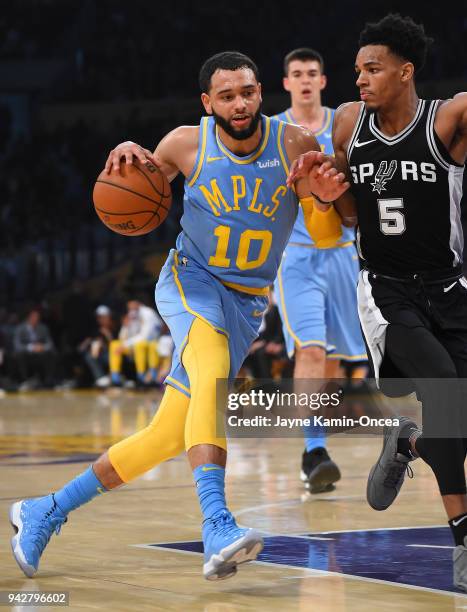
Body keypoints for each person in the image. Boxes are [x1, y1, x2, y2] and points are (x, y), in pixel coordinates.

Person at [9, 51, 348, 582]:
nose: (240, 103)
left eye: (248, 92)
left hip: (248, 302)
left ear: (262, 93)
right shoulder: (185, 143)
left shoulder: (295, 147)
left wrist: (324, 205)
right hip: (193, 281)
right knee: (210, 370)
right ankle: (217, 522)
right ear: (207, 102)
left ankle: (45, 509)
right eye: (227, 95)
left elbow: (325, 238)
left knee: (168, 435)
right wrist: (122, 154)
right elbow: (136, 175)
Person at [288, 14, 467, 590]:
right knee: (443, 388)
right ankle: (463, 541)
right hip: (385, 288)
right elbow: (347, 214)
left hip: (451, 285)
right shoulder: (347, 125)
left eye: (373, 69)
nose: (359, 79)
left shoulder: (448, 119)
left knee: (453, 414)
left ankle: (408, 439)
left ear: (405, 71)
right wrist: (324, 195)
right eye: (357, 69)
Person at [273, 48, 366, 493]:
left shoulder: (344, 126)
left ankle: (318, 443)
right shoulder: (276, 133)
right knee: (309, 350)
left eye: (312, 73)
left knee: (332, 361)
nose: (305, 80)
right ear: (287, 82)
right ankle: (313, 452)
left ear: (323, 81)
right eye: (297, 74)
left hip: (345, 252)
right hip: (296, 257)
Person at [109, 299, 162, 387]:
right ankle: (115, 378)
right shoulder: (132, 314)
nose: (131, 308)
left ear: (138, 303)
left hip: (151, 342)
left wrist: (125, 345)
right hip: (134, 343)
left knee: (139, 346)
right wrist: (125, 326)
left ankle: (142, 377)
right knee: (114, 344)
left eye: (133, 305)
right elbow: (122, 337)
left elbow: (145, 336)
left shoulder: (147, 313)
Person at [13, 308, 56, 390]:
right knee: (19, 355)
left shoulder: (43, 328)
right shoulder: (20, 328)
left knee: (52, 353)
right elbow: (17, 345)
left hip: (40, 353)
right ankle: (24, 381)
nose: (36, 319)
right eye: (34, 317)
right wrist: (32, 347)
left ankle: (48, 381)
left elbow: (50, 344)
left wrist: (43, 347)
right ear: (28, 317)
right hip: (27, 353)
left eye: (37, 317)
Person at [79, 305, 115, 388]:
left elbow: (117, 344)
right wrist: (90, 343)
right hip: (99, 355)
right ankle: (101, 378)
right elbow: (82, 347)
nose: (101, 320)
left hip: (113, 354)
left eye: (104, 317)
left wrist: (107, 335)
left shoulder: (115, 328)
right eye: (99, 318)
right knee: (89, 356)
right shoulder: (95, 330)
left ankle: (114, 377)